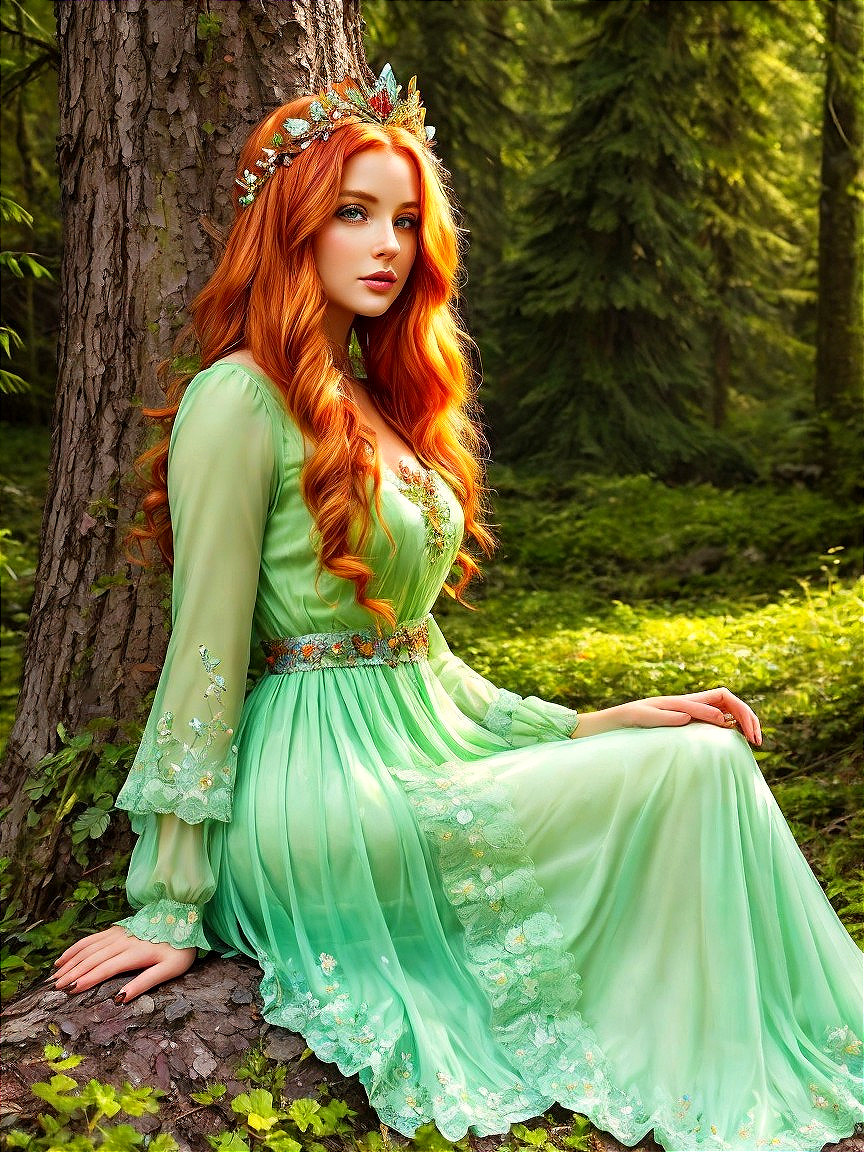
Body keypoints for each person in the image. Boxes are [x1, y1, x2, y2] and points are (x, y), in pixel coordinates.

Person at [51, 65, 862, 1151]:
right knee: (694, 773)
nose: (387, 244)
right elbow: (202, 656)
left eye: (404, 220)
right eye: (353, 215)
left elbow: (423, 663)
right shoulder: (238, 398)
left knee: (699, 755)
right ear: (292, 228)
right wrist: (169, 897)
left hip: (415, 748)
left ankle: (782, 1046)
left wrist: (588, 724)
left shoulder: (378, 406)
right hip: (313, 789)